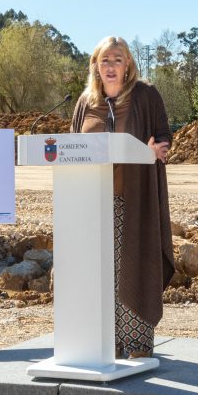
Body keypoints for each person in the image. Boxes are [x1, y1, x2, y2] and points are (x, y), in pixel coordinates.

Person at [69, 36, 174, 359]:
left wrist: (158, 149)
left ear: (128, 64)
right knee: (99, 274)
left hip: (135, 201)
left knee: (133, 269)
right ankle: (105, 343)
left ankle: (136, 345)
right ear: (96, 66)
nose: (111, 66)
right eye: (105, 60)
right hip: (94, 203)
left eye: (117, 59)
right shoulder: (86, 102)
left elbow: (164, 138)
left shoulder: (145, 95)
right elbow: (71, 148)